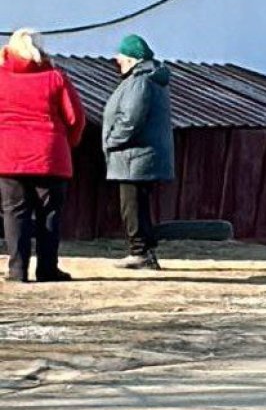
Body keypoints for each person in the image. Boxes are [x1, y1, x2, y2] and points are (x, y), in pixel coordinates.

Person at [0, 29, 86, 283]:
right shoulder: (55, 77)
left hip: (9, 155)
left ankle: (17, 270)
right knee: (49, 213)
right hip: (49, 155)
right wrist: (66, 142)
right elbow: (75, 118)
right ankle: (47, 269)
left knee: (14, 213)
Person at [102, 34, 174, 270]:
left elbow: (131, 119)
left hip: (134, 157)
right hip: (139, 156)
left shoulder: (140, 82)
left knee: (131, 205)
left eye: (120, 56)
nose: (117, 60)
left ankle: (139, 252)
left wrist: (112, 141)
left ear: (132, 59)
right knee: (138, 204)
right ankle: (145, 251)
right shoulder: (149, 79)